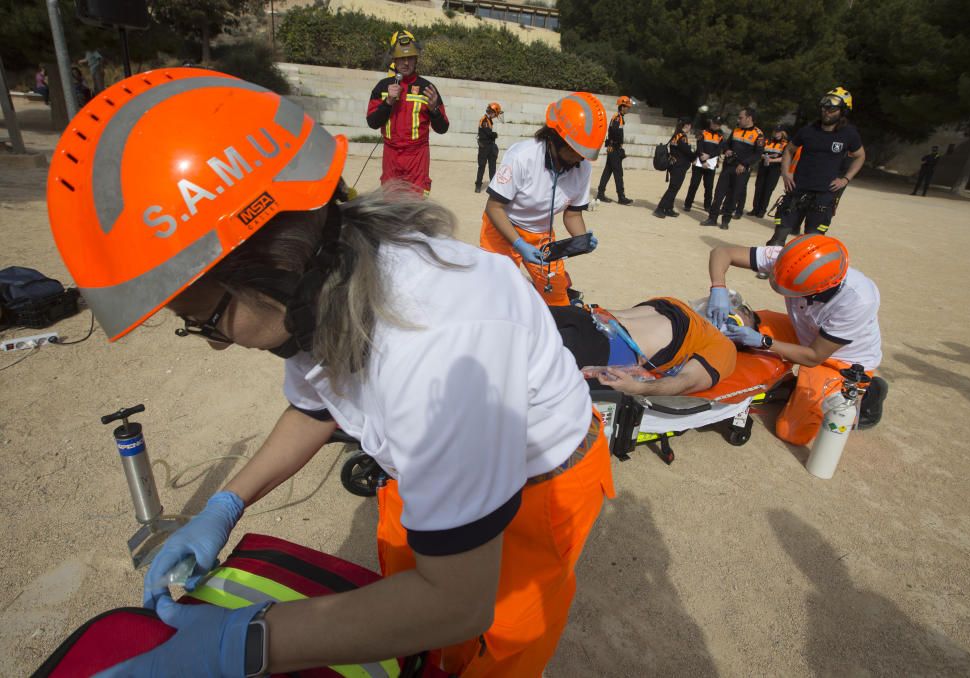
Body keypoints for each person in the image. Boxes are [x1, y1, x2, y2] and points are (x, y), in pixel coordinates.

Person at [48, 68, 613, 677]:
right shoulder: (328, 277)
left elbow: (457, 601)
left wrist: (243, 644)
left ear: (275, 263)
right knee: (414, 644)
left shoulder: (443, 347)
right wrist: (224, 504)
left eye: (207, 318)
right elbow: (316, 407)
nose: (214, 345)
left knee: (491, 651)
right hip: (434, 473)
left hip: (537, 487)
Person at [705, 235, 888, 446]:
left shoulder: (857, 301)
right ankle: (788, 383)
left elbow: (814, 356)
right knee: (735, 324)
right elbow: (721, 252)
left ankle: (870, 391)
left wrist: (763, 341)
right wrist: (718, 287)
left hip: (838, 359)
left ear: (818, 289)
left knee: (791, 432)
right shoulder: (792, 259)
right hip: (802, 331)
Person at [479, 92, 604, 306]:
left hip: (541, 237)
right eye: (576, 151)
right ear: (557, 138)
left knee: (557, 300)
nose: (580, 158)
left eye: (585, 153)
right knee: (495, 296)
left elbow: (573, 214)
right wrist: (518, 244)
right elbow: (494, 207)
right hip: (501, 229)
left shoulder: (581, 166)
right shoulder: (523, 156)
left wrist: (581, 240)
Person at [549, 297, 737, 396]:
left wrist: (638, 389)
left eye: (736, 317)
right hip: (584, 316)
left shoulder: (724, 345)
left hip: (606, 343)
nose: (727, 312)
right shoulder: (678, 304)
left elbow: (687, 381)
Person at [765, 87, 865, 246]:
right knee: (777, 239)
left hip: (824, 195)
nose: (826, 112)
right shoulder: (808, 130)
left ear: (843, 111)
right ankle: (768, 270)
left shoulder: (849, 134)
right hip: (797, 190)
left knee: (811, 243)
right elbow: (789, 150)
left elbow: (860, 156)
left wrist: (846, 179)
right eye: (824, 108)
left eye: (832, 109)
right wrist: (786, 173)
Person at [366, 30, 449, 193]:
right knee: (390, 205)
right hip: (391, 156)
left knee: (415, 208)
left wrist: (434, 110)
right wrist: (388, 101)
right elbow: (372, 122)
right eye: (401, 58)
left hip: (417, 157)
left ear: (416, 59)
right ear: (394, 60)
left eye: (409, 57)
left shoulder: (428, 89)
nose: (405, 63)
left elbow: (443, 128)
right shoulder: (383, 87)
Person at [700, 107, 764, 230]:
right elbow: (726, 144)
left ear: (749, 118)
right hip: (728, 166)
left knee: (733, 196)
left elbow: (757, 154)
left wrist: (744, 164)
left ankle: (725, 221)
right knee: (719, 193)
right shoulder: (736, 130)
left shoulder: (758, 134)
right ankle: (712, 218)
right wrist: (727, 150)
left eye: (741, 117)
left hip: (742, 170)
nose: (738, 119)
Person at [653, 118, 696, 218]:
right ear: (687, 125)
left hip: (674, 165)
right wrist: (696, 155)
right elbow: (687, 151)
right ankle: (660, 208)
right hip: (679, 166)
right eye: (690, 125)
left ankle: (668, 208)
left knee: (674, 187)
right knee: (673, 188)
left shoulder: (676, 135)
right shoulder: (682, 137)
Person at [596, 96, 635, 205]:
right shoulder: (618, 118)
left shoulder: (618, 117)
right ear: (622, 107)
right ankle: (621, 197)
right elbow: (614, 131)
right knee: (618, 173)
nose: (628, 109)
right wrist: (618, 144)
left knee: (608, 171)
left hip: (612, 148)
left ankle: (600, 193)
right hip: (614, 149)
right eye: (627, 107)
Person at [683, 114, 724, 213]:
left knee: (709, 186)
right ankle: (688, 204)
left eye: (717, 124)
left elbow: (719, 150)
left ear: (720, 125)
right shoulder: (703, 132)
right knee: (694, 184)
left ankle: (707, 206)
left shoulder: (720, 136)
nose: (715, 125)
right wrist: (703, 160)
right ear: (711, 122)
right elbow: (699, 147)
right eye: (714, 123)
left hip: (711, 164)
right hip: (699, 163)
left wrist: (708, 156)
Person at [748, 124, 789, 217]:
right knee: (759, 188)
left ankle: (762, 211)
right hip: (763, 167)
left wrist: (771, 160)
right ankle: (755, 209)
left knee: (768, 190)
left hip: (774, 169)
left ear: (783, 133)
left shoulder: (785, 144)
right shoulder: (767, 141)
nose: (776, 134)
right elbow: (759, 152)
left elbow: (785, 158)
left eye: (778, 132)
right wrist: (766, 156)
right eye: (775, 131)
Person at [474, 101, 502, 193]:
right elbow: (488, 133)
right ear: (493, 112)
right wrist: (494, 134)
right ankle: (478, 185)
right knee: (482, 166)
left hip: (490, 146)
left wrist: (493, 135)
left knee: (492, 166)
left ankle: (493, 186)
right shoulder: (484, 120)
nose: (495, 116)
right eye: (496, 113)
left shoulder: (489, 120)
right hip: (484, 147)